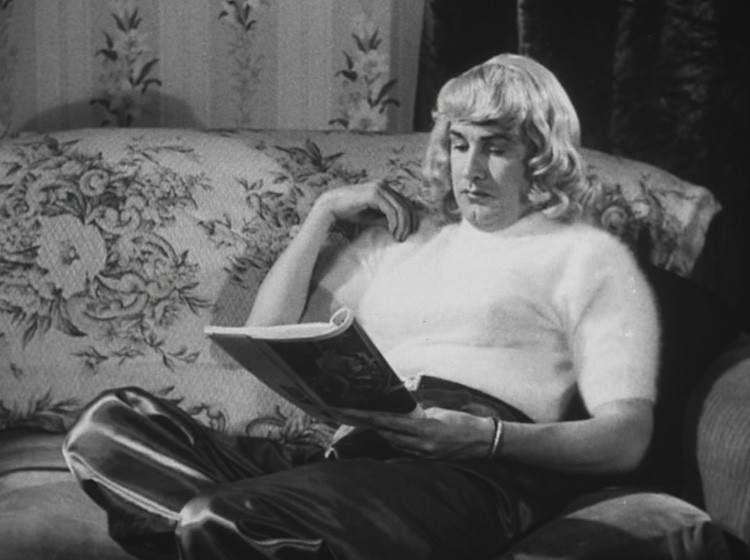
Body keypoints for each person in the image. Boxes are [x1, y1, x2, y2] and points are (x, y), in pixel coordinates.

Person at [62, 54, 659, 560]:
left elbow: (626, 439)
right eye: (459, 144)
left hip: (470, 474)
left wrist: (487, 438)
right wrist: (321, 214)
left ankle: (236, 535)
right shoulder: (403, 240)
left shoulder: (587, 257)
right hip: (345, 461)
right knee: (109, 428)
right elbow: (266, 335)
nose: (471, 170)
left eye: (496, 148)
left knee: (217, 518)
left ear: (540, 156)